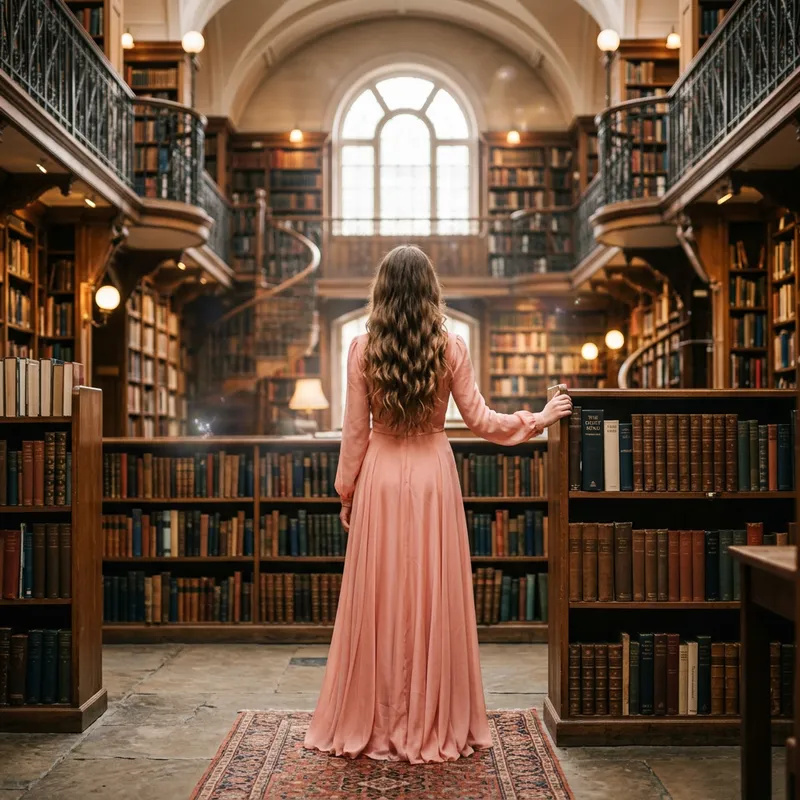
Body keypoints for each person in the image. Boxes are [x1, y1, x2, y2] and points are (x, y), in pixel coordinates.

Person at [303, 245, 573, 764]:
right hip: (433, 477)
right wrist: (538, 418)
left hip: (380, 477)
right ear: (431, 291)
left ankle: (375, 716)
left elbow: (355, 433)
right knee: (431, 591)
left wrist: (346, 491)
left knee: (379, 597)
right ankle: (433, 715)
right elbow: (482, 421)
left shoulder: (361, 349)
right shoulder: (451, 346)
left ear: (381, 292)